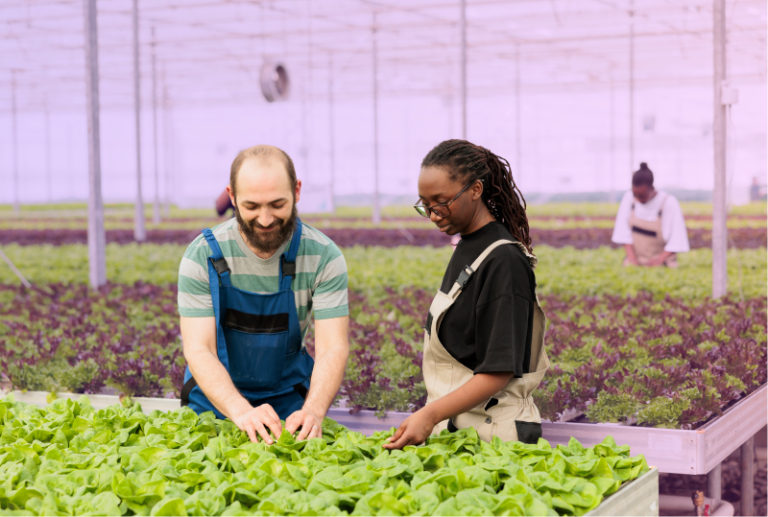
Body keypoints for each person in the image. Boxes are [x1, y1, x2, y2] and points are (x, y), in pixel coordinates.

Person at [384, 139, 550, 449]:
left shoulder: (504, 262)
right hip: (461, 430)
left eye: (441, 201)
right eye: (425, 204)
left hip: (493, 438)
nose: (433, 214)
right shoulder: (469, 246)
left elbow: (498, 372)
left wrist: (429, 414)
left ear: (475, 190)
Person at [178, 145, 350, 443]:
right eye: (252, 206)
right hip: (215, 399)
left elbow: (332, 347)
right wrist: (241, 411)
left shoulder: (323, 255)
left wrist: (314, 411)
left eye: (277, 204)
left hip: (288, 397)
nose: (266, 219)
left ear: (297, 191)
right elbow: (198, 349)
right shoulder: (202, 255)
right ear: (231, 197)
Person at [611, 162, 689, 268]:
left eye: (642, 196)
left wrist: (659, 261)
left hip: (663, 262)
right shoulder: (629, 198)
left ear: (652, 188)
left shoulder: (668, 202)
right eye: (636, 195)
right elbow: (623, 232)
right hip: (636, 260)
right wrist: (633, 259)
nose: (638, 199)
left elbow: (677, 238)